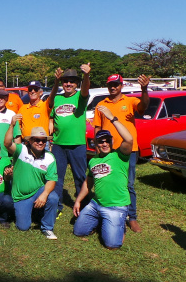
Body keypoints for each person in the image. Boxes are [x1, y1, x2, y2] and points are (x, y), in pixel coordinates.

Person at [92, 73, 150, 233]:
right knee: (105, 181)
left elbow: (143, 106)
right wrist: (97, 146)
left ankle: (132, 218)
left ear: (121, 85)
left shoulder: (130, 101)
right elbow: (97, 127)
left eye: (116, 84)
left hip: (128, 150)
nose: (113, 87)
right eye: (110, 84)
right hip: (107, 150)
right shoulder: (101, 105)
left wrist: (144, 89)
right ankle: (105, 213)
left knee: (128, 184)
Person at [73, 105, 133, 249]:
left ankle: (120, 224)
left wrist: (113, 118)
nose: (104, 143)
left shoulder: (120, 155)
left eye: (107, 140)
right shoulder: (93, 160)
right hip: (96, 204)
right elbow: (88, 184)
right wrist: (78, 201)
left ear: (111, 142)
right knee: (78, 232)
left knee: (112, 245)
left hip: (115, 207)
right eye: (101, 141)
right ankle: (102, 221)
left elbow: (129, 139)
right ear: (96, 144)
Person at [4, 121, 59, 239]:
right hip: (21, 195)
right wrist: (12, 126)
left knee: (53, 197)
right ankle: (34, 212)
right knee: (23, 227)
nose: (40, 143)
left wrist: (44, 194)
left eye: (44, 140)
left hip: (38, 190)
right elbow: (7, 143)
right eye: (37, 140)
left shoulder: (50, 157)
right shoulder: (21, 150)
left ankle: (47, 228)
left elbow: (52, 180)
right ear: (30, 140)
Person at [50, 64, 91, 217]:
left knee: (80, 177)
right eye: (65, 81)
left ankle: (85, 207)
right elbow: (51, 113)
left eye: (72, 81)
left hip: (77, 144)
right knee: (57, 177)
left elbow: (86, 88)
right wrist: (55, 82)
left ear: (77, 84)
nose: (68, 84)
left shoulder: (80, 97)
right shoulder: (58, 98)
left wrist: (86, 75)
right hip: (59, 144)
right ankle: (56, 206)